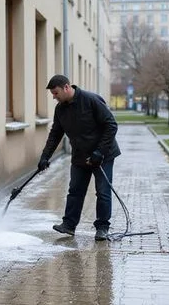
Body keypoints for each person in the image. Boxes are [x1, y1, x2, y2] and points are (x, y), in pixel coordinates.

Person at [37, 75, 120, 241]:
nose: (54, 97)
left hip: (103, 155)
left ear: (66, 87)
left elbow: (111, 125)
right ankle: (69, 225)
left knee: (103, 192)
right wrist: (45, 157)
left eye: (56, 93)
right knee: (75, 191)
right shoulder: (60, 109)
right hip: (80, 156)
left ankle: (102, 228)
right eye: (52, 94)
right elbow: (55, 134)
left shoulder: (91, 100)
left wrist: (99, 152)